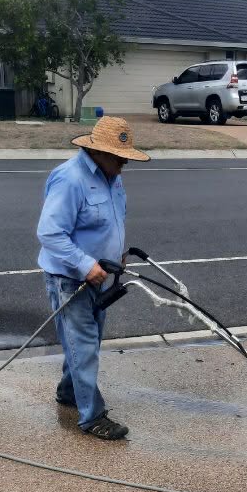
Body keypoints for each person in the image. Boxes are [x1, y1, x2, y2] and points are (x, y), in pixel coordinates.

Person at [37, 115, 150, 440]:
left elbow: (113, 218)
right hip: (70, 279)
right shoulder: (70, 180)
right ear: (98, 152)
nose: (124, 164)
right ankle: (92, 417)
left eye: (126, 158)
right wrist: (85, 264)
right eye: (119, 158)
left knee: (87, 341)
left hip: (99, 276)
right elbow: (49, 232)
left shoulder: (112, 177)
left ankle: (70, 391)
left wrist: (116, 256)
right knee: (84, 345)